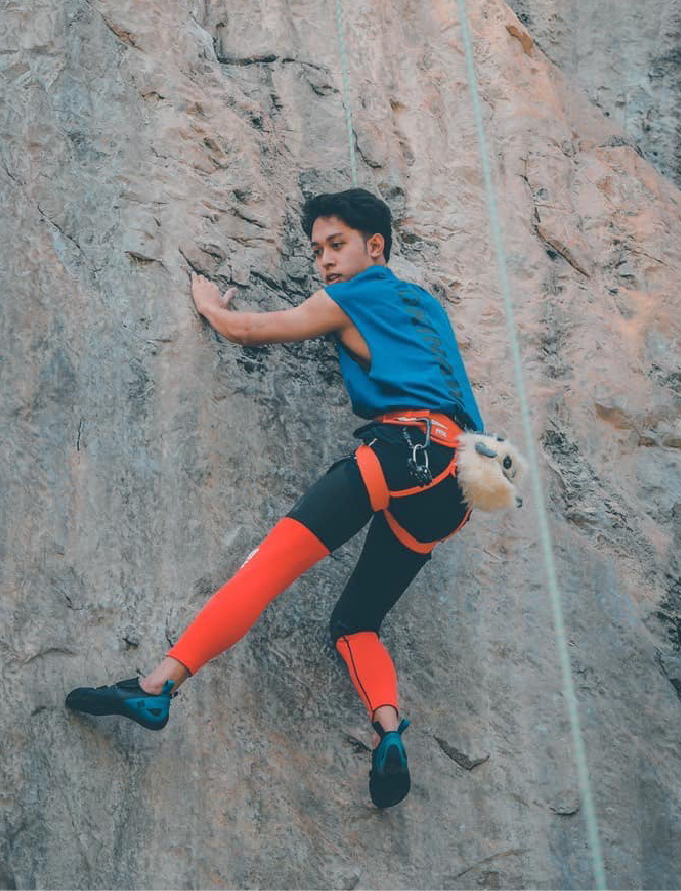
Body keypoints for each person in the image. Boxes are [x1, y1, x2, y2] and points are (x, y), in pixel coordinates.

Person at [66, 187, 485, 808]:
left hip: (404, 451)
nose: (324, 262)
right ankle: (389, 731)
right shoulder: (425, 306)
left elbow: (250, 330)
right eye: (317, 251)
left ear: (376, 246)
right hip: (456, 487)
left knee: (265, 571)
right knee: (357, 623)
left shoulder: (356, 294)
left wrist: (210, 305)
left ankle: (156, 687)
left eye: (336, 245)